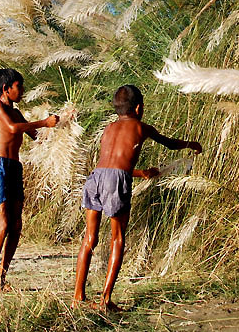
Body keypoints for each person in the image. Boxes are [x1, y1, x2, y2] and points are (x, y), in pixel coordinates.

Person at [73, 84, 202, 311]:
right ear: (139, 107)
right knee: (117, 239)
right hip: (116, 180)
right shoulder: (141, 128)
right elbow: (169, 144)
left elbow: (111, 165)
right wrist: (191, 144)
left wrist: (141, 172)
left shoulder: (109, 128)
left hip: (96, 177)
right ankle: (105, 300)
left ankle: (77, 297)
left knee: (89, 238)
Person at [0, 68, 59, 291]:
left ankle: (2, 278)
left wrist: (60, 126)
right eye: (19, 86)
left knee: (15, 226)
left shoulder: (17, 113)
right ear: (6, 89)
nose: (22, 91)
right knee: (3, 224)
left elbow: (35, 137)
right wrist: (44, 122)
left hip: (15, 167)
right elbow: (13, 129)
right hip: (0, 167)